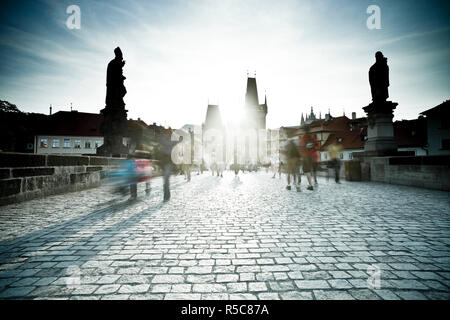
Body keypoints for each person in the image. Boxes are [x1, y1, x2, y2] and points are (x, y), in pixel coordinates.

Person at [299, 126, 319, 191]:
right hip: (312, 156)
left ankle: (310, 185)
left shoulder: (303, 138)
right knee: (309, 170)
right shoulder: (312, 137)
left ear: (304, 131)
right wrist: (313, 150)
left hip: (306, 156)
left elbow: (301, 147)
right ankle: (312, 182)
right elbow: (317, 145)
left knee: (306, 170)